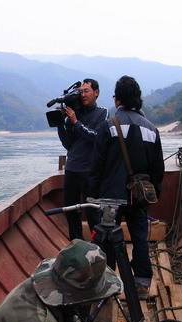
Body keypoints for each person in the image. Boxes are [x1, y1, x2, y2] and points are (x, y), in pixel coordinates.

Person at [89, 75, 164, 300]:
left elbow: (97, 165)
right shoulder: (151, 129)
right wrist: (154, 194)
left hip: (111, 196)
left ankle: (107, 284)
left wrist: (93, 195)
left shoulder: (108, 126)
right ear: (138, 99)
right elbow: (157, 169)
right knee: (140, 237)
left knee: (108, 238)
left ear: (117, 99)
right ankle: (141, 283)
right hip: (139, 196)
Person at [57, 78, 109, 240]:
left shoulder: (102, 113)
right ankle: (76, 245)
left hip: (90, 171)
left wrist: (76, 122)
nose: (83, 95)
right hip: (72, 169)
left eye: (86, 91)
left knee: (93, 213)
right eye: (81, 92)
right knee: (70, 211)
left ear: (96, 92)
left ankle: (97, 247)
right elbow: (69, 145)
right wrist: (61, 125)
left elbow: (97, 139)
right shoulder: (74, 113)